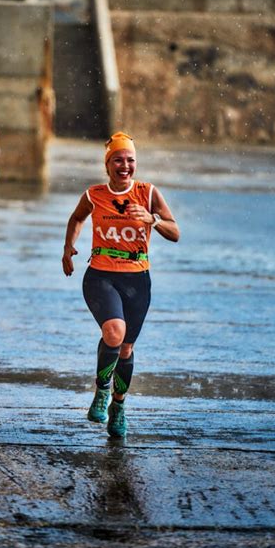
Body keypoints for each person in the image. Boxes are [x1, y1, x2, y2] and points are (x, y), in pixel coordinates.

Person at [62, 132, 179, 438]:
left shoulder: (148, 193)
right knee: (114, 332)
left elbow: (175, 231)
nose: (124, 165)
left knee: (126, 348)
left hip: (137, 279)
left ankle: (119, 405)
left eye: (130, 160)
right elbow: (76, 219)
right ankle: (102, 390)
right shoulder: (94, 195)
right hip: (101, 275)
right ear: (108, 164)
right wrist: (68, 248)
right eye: (118, 160)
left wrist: (152, 219)